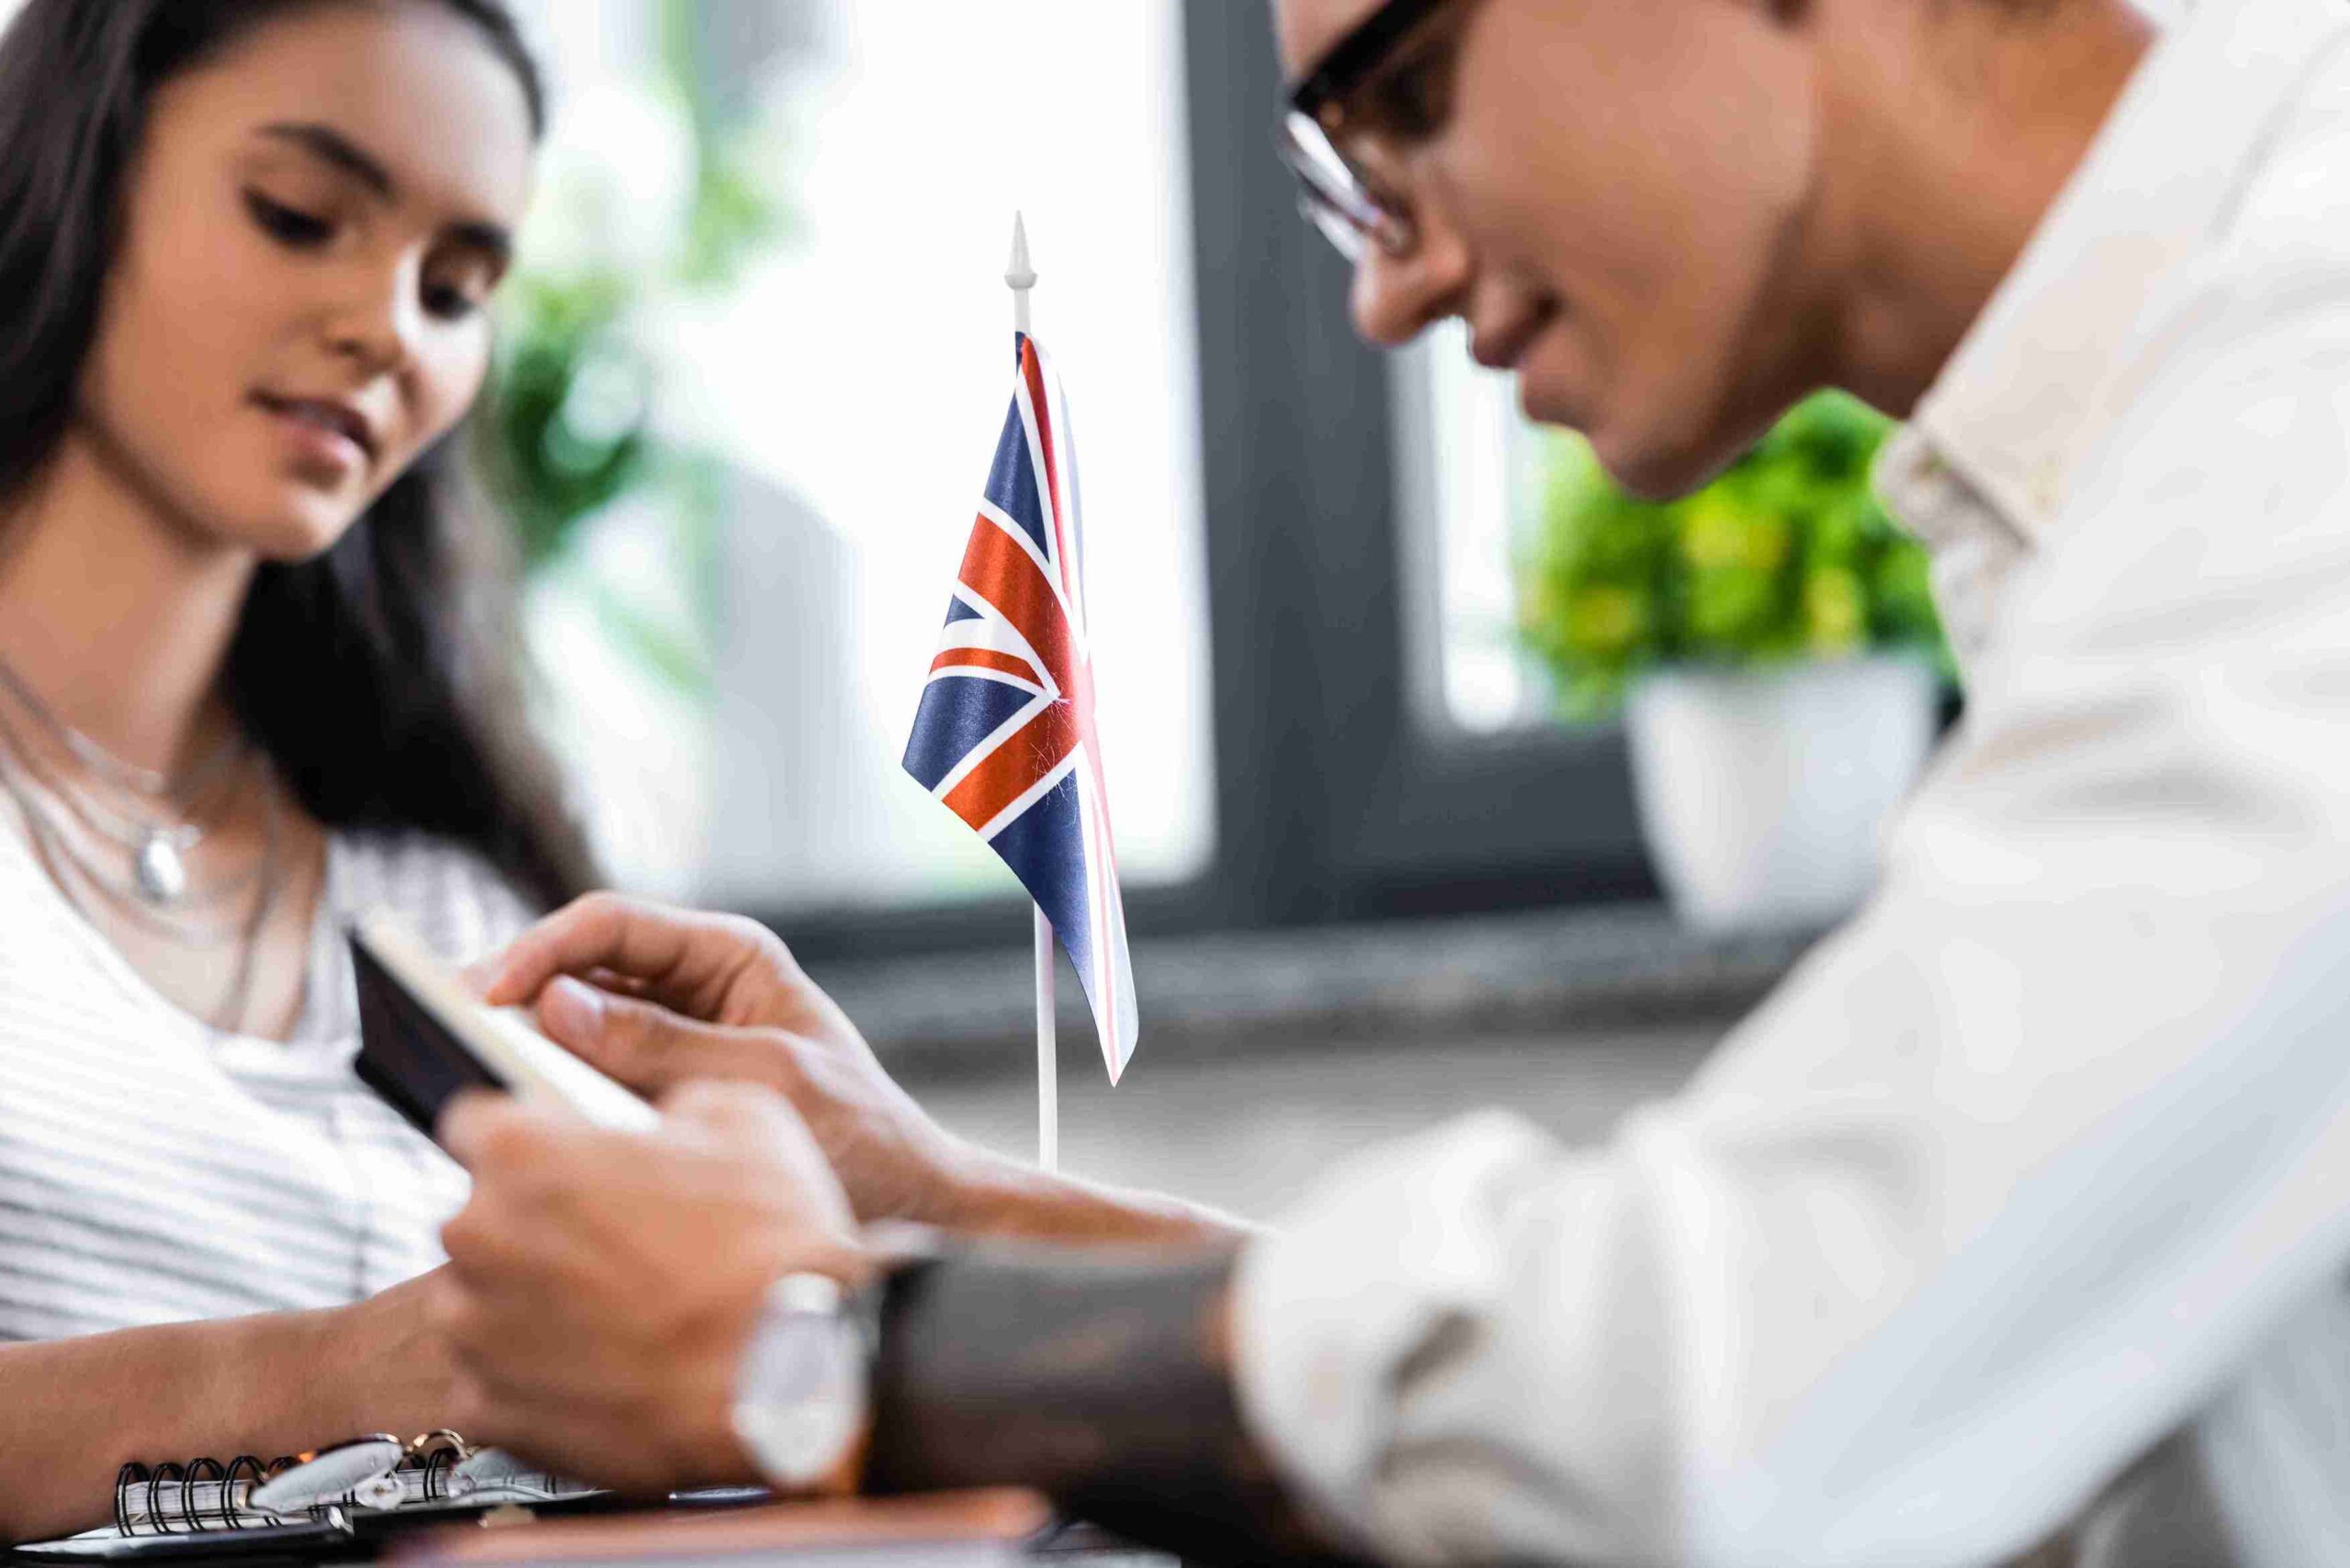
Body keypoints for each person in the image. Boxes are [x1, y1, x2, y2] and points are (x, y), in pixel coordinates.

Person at [438, 0, 2350, 1562]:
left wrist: (820, 1344)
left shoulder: (2303, 393)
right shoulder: (2116, 459)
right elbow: (1889, 1351)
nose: (1388, 289)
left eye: (1405, 103)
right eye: (1337, 185)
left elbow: (1719, 1395)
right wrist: (938, 1221)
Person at [0, 0, 592, 1545]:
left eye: (455, 289)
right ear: (82, 165)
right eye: (301, 216)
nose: (390, 324)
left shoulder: (458, 900)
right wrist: (331, 1380)